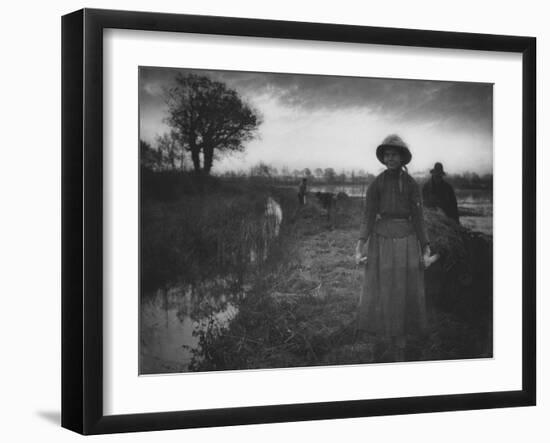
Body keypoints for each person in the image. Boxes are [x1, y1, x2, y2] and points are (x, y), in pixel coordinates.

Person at [354, 134, 430, 361]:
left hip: (406, 240)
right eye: (387, 155)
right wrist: (360, 245)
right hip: (381, 241)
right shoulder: (376, 184)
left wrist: (425, 246)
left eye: (394, 155)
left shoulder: (411, 185)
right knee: (383, 287)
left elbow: (418, 217)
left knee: (404, 288)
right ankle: (384, 335)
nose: (390, 158)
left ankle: (402, 340)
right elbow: (368, 216)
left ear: (402, 158)